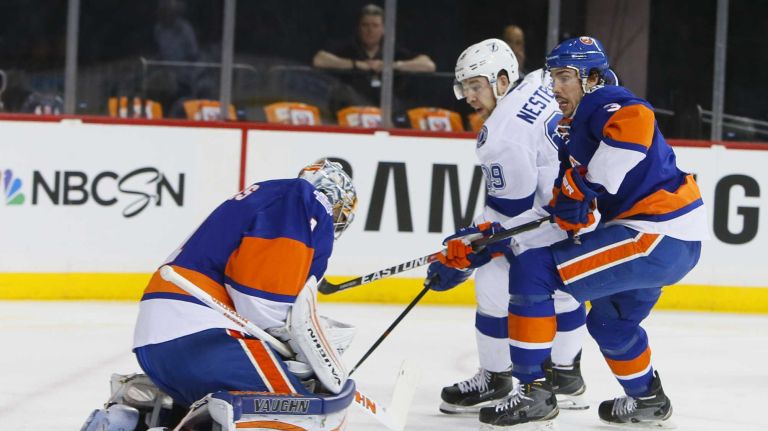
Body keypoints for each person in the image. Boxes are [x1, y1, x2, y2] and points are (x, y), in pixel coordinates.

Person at [458, 36, 706, 429]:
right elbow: (561, 211)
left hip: (654, 232)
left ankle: (534, 392)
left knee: (534, 271)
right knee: (610, 323)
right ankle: (648, 399)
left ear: (591, 77)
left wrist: (584, 182)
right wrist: (493, 234)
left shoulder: (612, 102)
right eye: (552, 76)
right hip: (666, 239)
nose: (554, 87)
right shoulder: (572, 132)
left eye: (563, 77)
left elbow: (632, 132)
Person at [82, 159, 359, 431]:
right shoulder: (304, 201)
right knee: (298, 415)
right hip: (204, 335)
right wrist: (302, 343)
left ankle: (125, 423)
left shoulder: (268, 195)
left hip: (163, 341)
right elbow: (261, 301)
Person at [424, 38, 588, 416]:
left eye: (475, 85)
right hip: (579, 207)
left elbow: (507, 213)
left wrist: (468, 250)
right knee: (565, 294)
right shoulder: (539, 80)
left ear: (501, 80)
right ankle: (567, 377)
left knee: (496, 283)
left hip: (550, 218)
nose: (468, 96)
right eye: (463, 87)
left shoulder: (500, 133)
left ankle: (498, 377)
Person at [312, 4, 435, 110]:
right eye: (365, 25)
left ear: (383, 30)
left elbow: (428, 65)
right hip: (351, 111)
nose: (370, 30)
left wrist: (391, 65)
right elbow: (319, 60)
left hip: (387, 112)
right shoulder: (348, 48)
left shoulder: (392, 51)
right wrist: (356, 65)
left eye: (375, 26)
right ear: (359, 28)